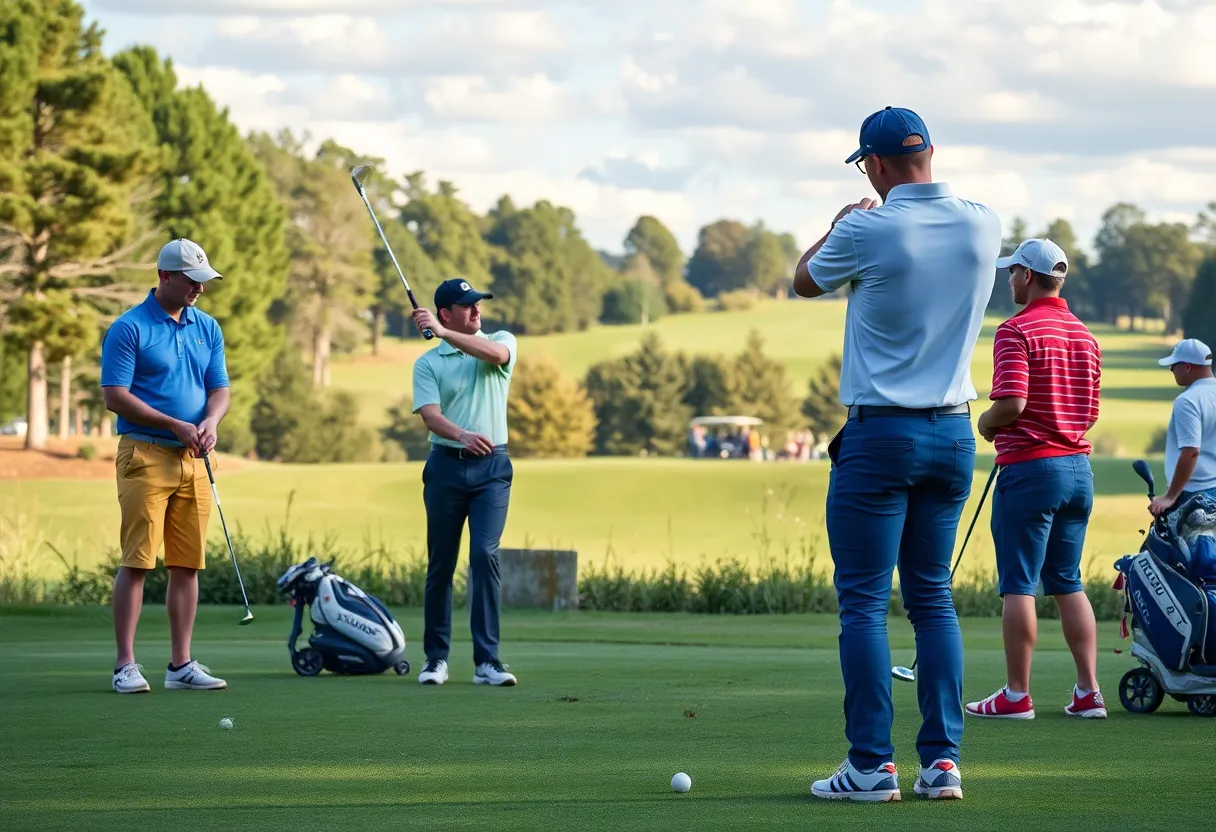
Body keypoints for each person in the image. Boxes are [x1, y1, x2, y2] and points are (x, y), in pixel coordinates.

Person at [793, 106, 1001, 802]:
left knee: (862, 604)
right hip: (952, 435)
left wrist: (837, 222)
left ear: (875, 165)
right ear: (930, 152)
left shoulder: (866, 229)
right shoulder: (983, 222)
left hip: (880, 436)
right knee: (933, 601)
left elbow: (803, 280)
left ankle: (870, 767)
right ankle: (942, 765)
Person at [967, 239, 1106, 721]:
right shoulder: (1086, 335)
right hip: (1078, 472)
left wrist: (987, 424)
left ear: (1027, 276)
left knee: (1019, 584)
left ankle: (1016, 695)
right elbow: (1089, 411)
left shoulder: (1015, 329)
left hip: (1030, 470)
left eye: (1012, 272)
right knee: (1068, 581)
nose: (1008, 280)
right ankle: (1088, 692)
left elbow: (1012, 403)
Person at [100, 238, 231, 694]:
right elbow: (115, 396)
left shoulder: (207, 327)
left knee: (187, 564)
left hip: (194, 458)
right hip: (145, 454)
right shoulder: (129, 328)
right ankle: (125, 665)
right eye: (192, 281)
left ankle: (180, 665)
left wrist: (210, 422)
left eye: (203, 281)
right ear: (165, 276)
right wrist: (174, 423)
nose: (200, 288)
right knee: (137, 562)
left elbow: (219, 389)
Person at [410, 278, 519, 687]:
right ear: (445, 313)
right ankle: (435, 659)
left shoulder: (500, 341)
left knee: (485, 554)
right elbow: (431, 416)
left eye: (478, 303)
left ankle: (487, 661)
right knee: (441, 562)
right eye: (467, 305)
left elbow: (496, 355)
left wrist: (443, 333)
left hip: (493, 470)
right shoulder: (427, 364)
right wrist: (462, 435)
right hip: (445, 467)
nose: (476, 310)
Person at [1149, 338, 1216, 517]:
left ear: (1187, 367)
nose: (1171, 369)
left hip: (1196, 495)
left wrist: (1170, 496)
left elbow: (1191, 451)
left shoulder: (1187, 400)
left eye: (1174, 366)